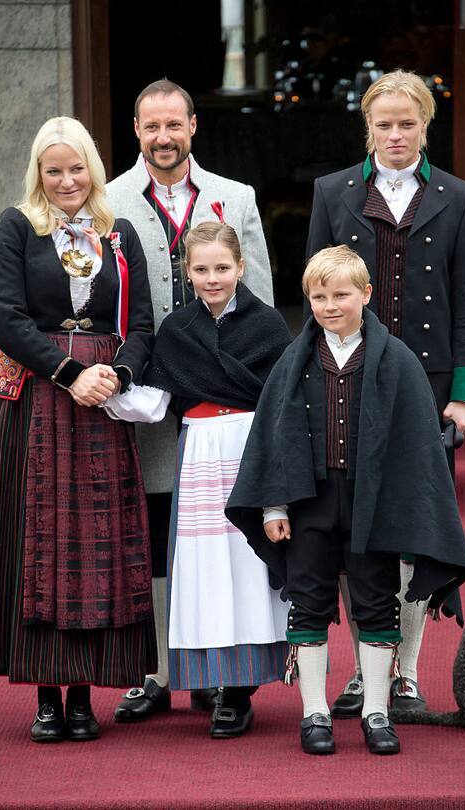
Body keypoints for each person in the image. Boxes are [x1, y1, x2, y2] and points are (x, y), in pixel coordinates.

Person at [226, 245, 465, 755]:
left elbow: (415, 449)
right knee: (309, 602)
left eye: (341, 294)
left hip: (373, 506)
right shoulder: (294, 362)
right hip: (308, 504)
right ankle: (314, 713)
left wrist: (409, 519)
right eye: (318, 296)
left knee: (375, 602)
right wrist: (272, 507)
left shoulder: (398, 360)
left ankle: (377, 712)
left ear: (366, 294)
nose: (329, 305)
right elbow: (273, 437)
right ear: (307, 299)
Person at [0, 116, 157, 743]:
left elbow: (144, 326)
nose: (67, 180)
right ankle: (47, 696)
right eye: (54, 170)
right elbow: (5, 316)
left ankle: (85, 695)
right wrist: (70, 371)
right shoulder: (17, 228)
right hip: (35, 400)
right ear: (38, 174)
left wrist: (118, 374)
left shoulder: (120, 233)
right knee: (39, 539)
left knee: (94, 546)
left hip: (101, 404)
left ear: (93, 169)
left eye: (76, 168)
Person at [305, 69, 465, 717]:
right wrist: (309, 380)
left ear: (425, 126)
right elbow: (314, 295)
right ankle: (362, 671)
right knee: (355, 528)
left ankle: (405, 673)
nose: (396, 134)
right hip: (348, 378)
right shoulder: (333, 193)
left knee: (412, 526)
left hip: (430, 386)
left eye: (407, 123)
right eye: (384, 123)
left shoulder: (459, 198)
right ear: (367, 128)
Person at [106, 79, 274, 722]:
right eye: (152, 126)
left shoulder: (237, 197)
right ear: (137, 128)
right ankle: (155, 670)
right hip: (152, 393)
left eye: (174, 124)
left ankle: (216, 670)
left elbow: (256, 299)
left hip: (224, 407)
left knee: (223, 539)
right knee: (156, 535)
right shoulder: (111, 198)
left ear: (193, 125)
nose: (163, 137)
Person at [102, 221, 291, 737]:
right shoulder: (177, 331)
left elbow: (282, 403)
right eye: (202, 269)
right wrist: (103, 386)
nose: (213, 278)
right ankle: (210, 680)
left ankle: (238, 691)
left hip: (250, 451)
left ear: (242, 267)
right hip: (201, 453)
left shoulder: (269, 324)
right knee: (205, 567)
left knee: (248, 566)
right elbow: (156, 400)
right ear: (187, 272)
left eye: (222, 268)